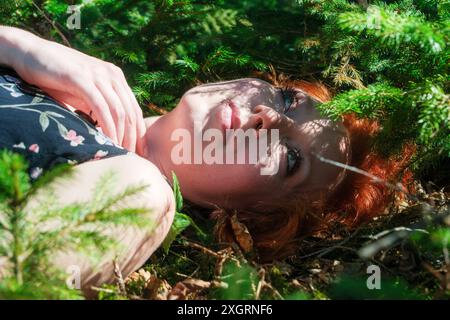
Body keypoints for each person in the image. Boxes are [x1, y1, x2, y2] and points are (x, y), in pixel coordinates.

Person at [0, 26, 413, 297]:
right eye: (288, 99)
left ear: (253, 218)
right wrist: (20, 46)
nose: (268, 116)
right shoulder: (62, 75)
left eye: (290, 158)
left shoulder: (137, 191)